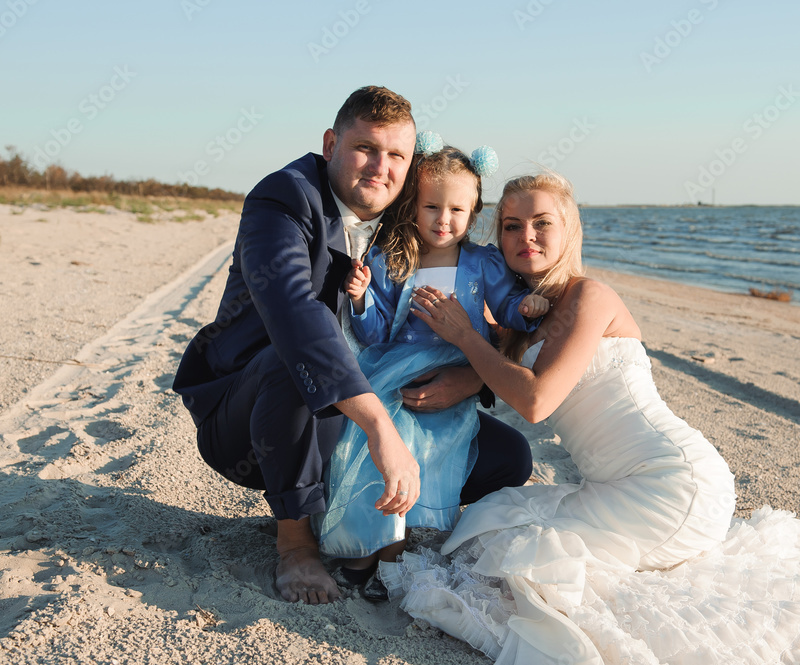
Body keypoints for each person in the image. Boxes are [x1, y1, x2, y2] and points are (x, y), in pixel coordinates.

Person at [380, 173, 800, 664]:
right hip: (613, 483)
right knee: (495, 521)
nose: (525, 236)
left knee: (514, 556)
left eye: (541, 223)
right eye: (511, 225)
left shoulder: (591, 297)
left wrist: (464, 334)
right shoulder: (528, 316)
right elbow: (502, 370)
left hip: (673, 481)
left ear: (569, 229)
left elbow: (534, 400)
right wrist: (462, 370)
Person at [171, 86, 532, 606]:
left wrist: (472, 377)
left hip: (362, 405)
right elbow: (295, 315)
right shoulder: (283, 199)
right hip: (253, 417)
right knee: (291, 360)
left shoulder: (407, 220)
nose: (380, 167)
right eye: (365, 147)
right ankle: (295, 542)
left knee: (508, 456)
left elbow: (490, 307)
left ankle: (378, 517)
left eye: (397, 156)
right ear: (330, 143)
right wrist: (380, 427)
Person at [315, 139, 548, 597]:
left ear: (475, 211)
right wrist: (361, 298)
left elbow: (507, 306)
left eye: (457, 210)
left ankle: (396, 550)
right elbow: (376, 333)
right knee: (369, 450)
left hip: (453, 372)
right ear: (413, 206)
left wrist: (528, 306)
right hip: (394, 369)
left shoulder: (482, 263)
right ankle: (363, 547)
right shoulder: (392, 259)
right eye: (432, 207)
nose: (444, 220)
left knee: (433, 454)